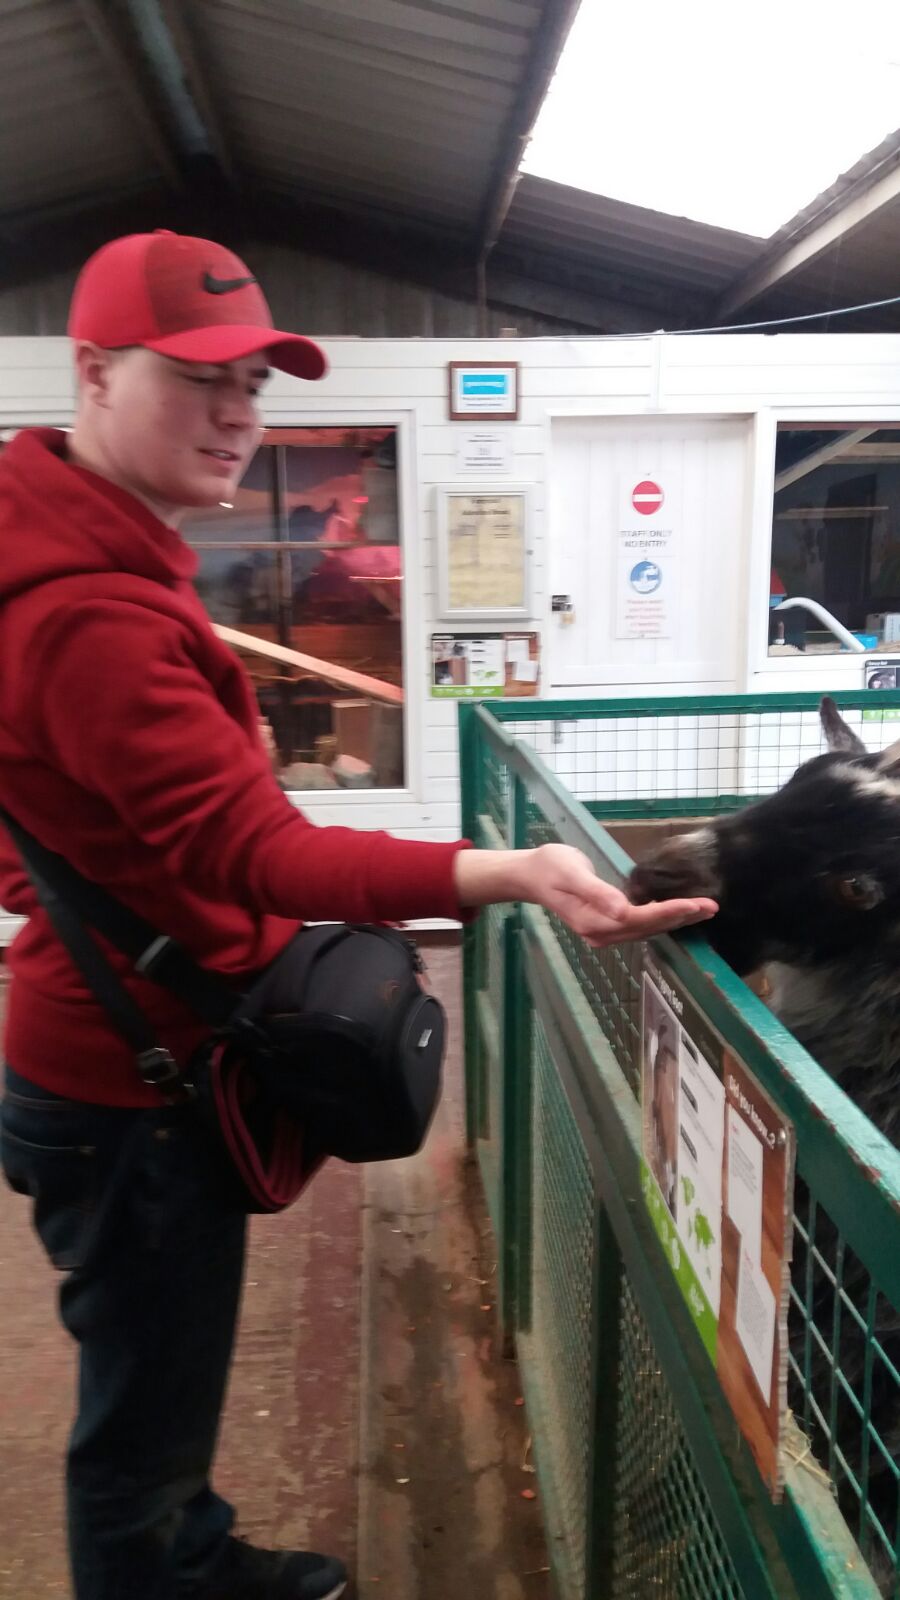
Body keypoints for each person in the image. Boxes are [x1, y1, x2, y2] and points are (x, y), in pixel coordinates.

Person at [0, 230, 716, 1600]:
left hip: (101, 1047)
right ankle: (162, 1572)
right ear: (93, 373)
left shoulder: (61, 555)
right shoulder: (91, 610)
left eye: (253, 382)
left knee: (159, 1373)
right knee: (141, 1419)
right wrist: (507, 872)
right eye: (198, 376)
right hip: (131, 1085)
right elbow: (257, 852)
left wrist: (96, 897)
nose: (237, 412)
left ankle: (193, 1556)